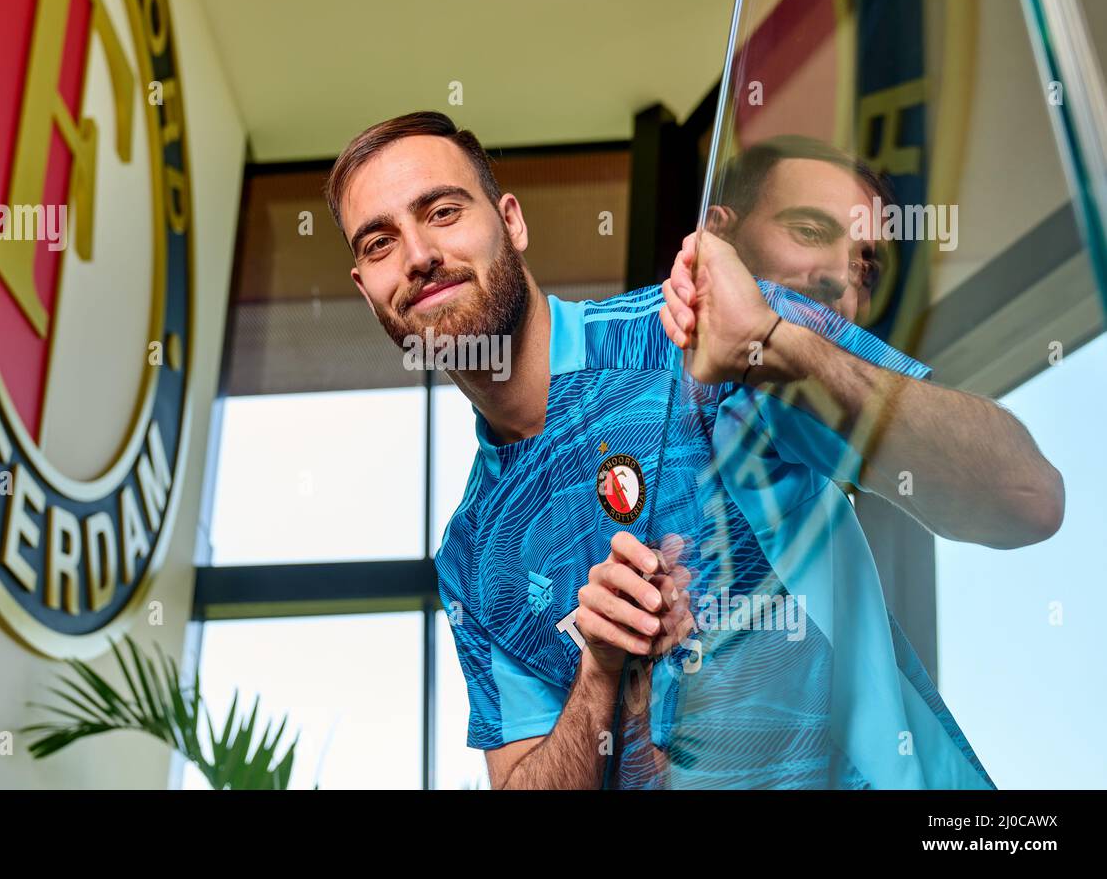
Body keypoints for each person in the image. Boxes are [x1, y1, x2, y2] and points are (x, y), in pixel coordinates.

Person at [323, 112, 1065, 789]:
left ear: (510, 222)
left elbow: (1026, 500)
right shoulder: (473, 551)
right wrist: (599, 673)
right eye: (380, 242)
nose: (418, 254)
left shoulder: (703, 332)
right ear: (366, 287)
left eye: (443, 212)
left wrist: (778, 345)